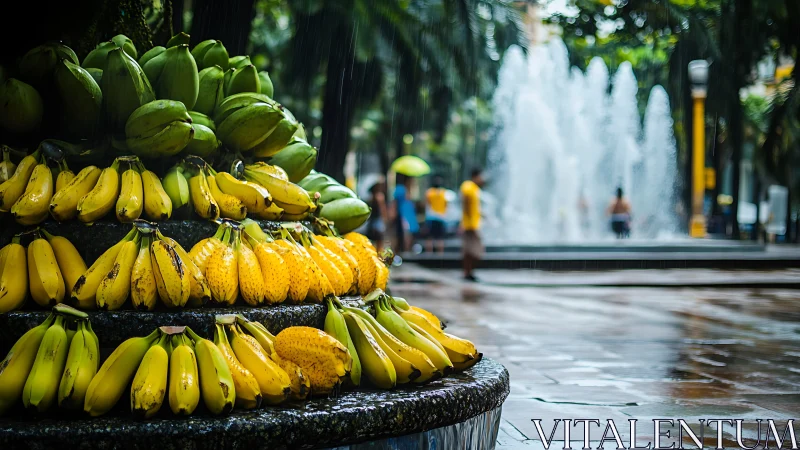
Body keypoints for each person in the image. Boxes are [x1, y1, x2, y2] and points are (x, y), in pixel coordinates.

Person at [460, 168, 484, 281]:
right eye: (480, 176)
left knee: (470, 250)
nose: (482, 179)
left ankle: (469, 272)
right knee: (474, 250)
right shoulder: (468, 187)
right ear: (476, 176)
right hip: (470, 225)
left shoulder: (474, 188)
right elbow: (465, 205)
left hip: (474, 224)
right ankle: (467, 272)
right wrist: (465, 222)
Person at [392, 174, 419, 252]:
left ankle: (406, 249)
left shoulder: (408, 189)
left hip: (409, 214)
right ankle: (402, 250)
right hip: (403, 214)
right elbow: (395, 202)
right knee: (404, 233)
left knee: (409, 232)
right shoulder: (400, 189)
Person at [364, 176, 389, 252]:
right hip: (378, 220)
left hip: (371, 220)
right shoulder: (380, 196)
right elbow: (382, 209)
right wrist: (385, 218)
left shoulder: (371, 197)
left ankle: (373, 252)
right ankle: (378, 254)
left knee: (372, 239)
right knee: (379, 239)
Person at [425, 176, 448, 253]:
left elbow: (427, 203)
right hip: (441, 217)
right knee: (440, 237)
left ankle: (429, 253)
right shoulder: (443, 192)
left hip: (431, 217)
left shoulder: (429, 192)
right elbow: (446, 204)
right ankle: (440, 254)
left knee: (429, 237)